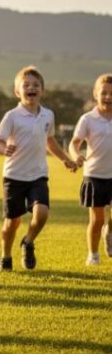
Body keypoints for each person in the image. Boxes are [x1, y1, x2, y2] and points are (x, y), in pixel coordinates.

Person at [0, 66, 78, 271]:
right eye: (26, 85)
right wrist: (5, 149)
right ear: (17, 91)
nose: (31, 88)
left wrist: (65, 159)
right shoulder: (12, 116)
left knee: (41, 213)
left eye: (36, 85)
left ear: (42, 90)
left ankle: (28, 242)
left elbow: (50, 141)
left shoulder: (48, 115)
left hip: (38, 175)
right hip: (14, 176)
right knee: (12, 223)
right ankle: (5, 257)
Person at [69, 73, 112, 265]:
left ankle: (109, 230)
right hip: (95, 174)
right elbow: (74, 143)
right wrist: (75, 155)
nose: (108, 97)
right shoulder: (87, 119)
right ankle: (93, 255)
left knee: (108, 220)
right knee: (97, 219)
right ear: (96, 94)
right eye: (104, 93)